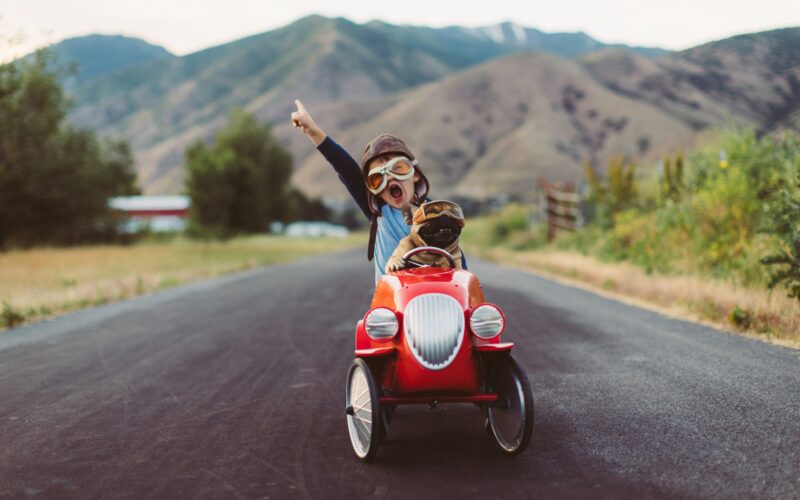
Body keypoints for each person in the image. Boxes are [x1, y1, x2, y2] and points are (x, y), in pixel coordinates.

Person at [290, 99, 466, 283]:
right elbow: (347, 170)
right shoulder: (380, 211)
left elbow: (457, 258)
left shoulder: (437, 213)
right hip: (391, 304)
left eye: (398, 168)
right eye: (377, 178)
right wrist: (312, 130)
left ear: (415, 174)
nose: (389, 178)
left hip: (433, 297)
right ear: (373, 189)